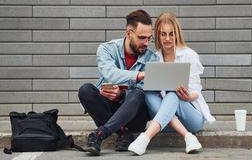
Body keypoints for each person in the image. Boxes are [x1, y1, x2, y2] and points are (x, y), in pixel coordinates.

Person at [128, 12, 216, 155]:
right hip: (165, 121)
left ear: (177, 34)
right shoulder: (154, 58)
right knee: (149, 92)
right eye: (163, 34)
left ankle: (145, 138)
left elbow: (196, 91)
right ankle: (188, 137)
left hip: (191, 118)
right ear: (158, 35)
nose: (167, 39)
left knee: (173, 91)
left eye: (171, 34)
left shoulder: (189, 55)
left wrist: (187, 96)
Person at [78, 9, 158, 156]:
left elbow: (145, 91)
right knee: (86, 90)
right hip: (108, 111)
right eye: (142, 38)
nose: (146, 43)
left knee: (138, 94)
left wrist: (122, 94)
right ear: (128, 33)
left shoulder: (152, 59)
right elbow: (109, 73)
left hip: (135, 115)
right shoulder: (106, 49)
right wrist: (140, 75)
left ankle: (100, 134)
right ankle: (123, 134)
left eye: (149, 38)